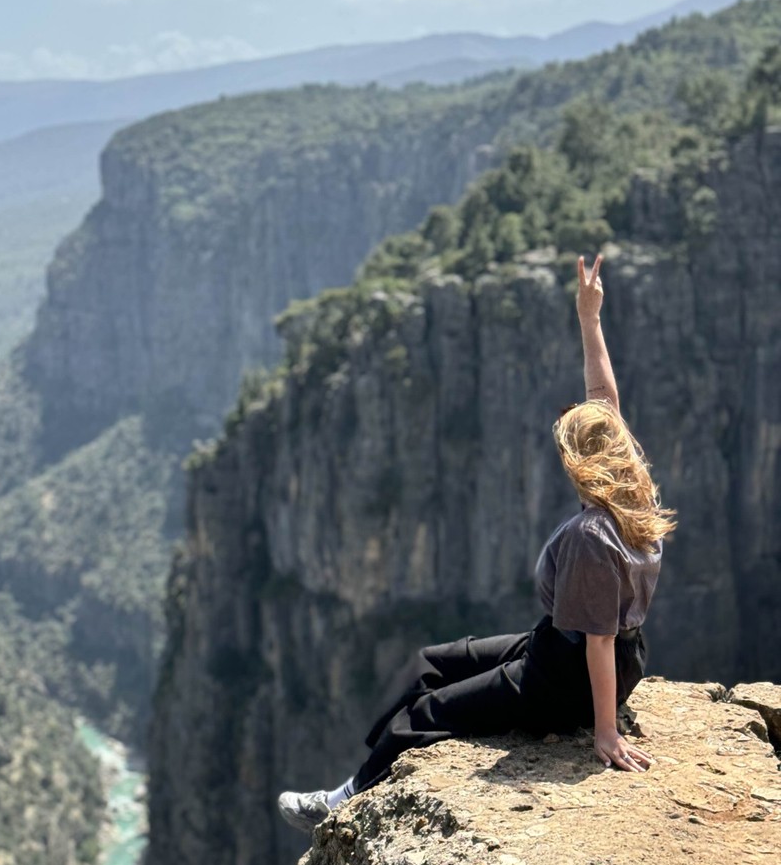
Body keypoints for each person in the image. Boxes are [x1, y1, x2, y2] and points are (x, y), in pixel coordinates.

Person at [278, 253, 677, 835]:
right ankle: (359, 773)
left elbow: (598, 641)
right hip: (558, 647)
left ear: (577, 462)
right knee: (431, 664)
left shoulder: (593, 537)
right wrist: (589, 318)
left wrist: (605, 730)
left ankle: (346, 801)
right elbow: (604, 399)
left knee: (427, 712)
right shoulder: (629, 488)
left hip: (566, 674)